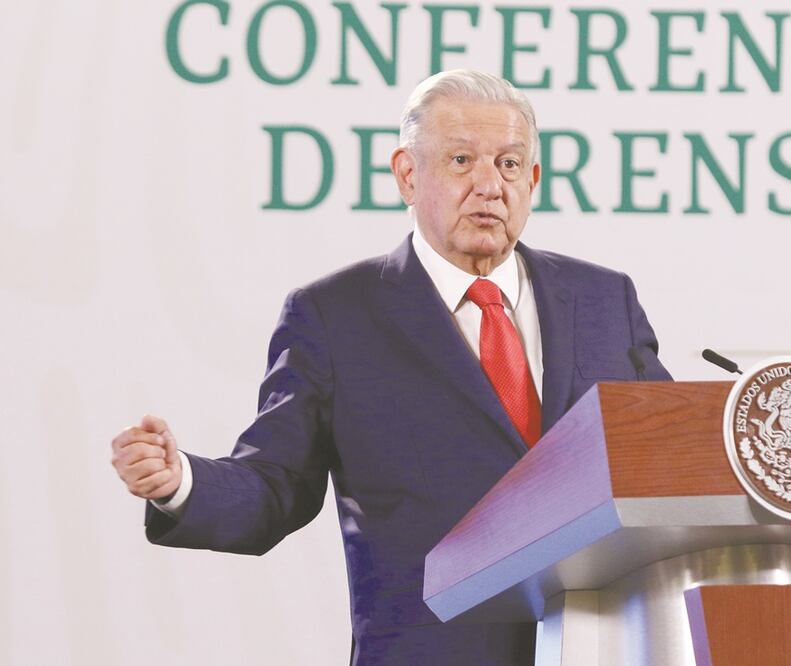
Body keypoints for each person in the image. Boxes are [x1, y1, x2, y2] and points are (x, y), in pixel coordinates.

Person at [109, 70, 671, 665]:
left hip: (604, 647)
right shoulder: (334, 316)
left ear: (532, 179)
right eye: (461, 160)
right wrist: (180, 484)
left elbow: (667, 466)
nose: (489, 185)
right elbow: (276, 486)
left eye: (509, 165)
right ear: (408, 174)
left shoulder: (606, 300)